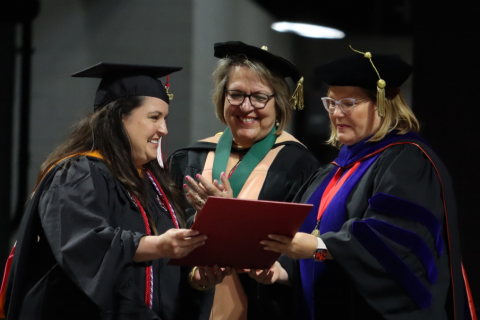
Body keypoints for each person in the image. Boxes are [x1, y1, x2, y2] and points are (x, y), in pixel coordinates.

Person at [255, 47, 477, 319]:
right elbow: (311, 232)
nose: (336, 114)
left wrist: (318, 248)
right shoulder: (333, 171)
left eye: (348, 103)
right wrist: (282, 269)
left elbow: (393, 241)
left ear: (382, 104)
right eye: (331, 103)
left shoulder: (406, 161)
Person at [2, 63, 229, 320]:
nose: (164, 129)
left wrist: (195, 279)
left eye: (165, 119)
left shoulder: (156, 185)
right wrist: (158, 245)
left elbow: (159, 278)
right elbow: (85, 245)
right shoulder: (78, 174)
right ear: (119, 118)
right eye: (154, 118)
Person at [168, 41, 319, 320]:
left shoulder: (298, 165)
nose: (246, 107)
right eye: (236, 94)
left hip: (265, 307)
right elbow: (165, 235)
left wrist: (229, 216)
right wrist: (195, 276)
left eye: (259, 97)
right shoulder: (189, 159)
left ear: (279, 103)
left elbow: (311, 245)